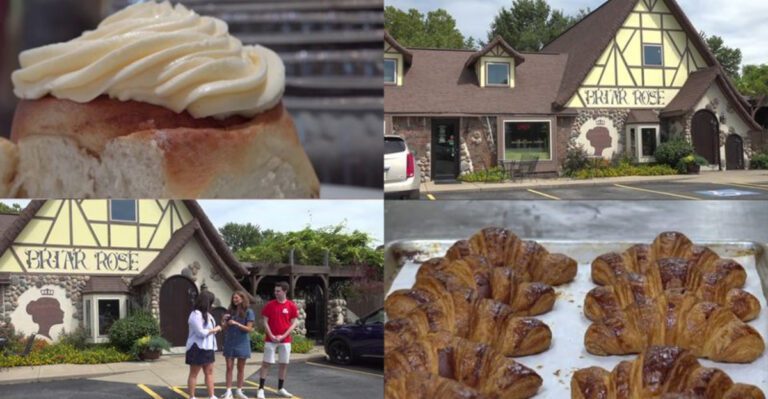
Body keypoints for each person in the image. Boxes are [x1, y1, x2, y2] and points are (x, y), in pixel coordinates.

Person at [257, 281, 299, 399]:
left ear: (285, 291)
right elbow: (265, 321)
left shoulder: (291, 306)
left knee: (283, 364)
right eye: (275, 291)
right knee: (266, 364)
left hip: (285, 341)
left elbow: (294, 323)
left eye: (278, 291)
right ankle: (260, 389)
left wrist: (283, 336)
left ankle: (280, 388)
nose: (275, 293)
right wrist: (271, 335)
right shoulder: (270, 305)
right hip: (270, 340)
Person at [186, 290, 222, 399]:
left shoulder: (208, 315)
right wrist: (215, 329)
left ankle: (212, 396)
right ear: (207, 302)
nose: (212, 304)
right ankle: (192, 397)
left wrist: (218, 327)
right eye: (211, 302)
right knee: (194, 374)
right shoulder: (195, 314)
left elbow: (210, 331)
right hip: (197, 347)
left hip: (208, 347)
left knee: (209, 372)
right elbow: (200, 333)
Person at [221, 291, 255, 399]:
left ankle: (239, 391)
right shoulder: (230, 311)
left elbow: (249, 329)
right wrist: (223, 320)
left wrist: (236, 323)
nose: (234, 300)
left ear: (242, 298)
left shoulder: (249, 312)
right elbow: (224, 327)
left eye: (237, 298)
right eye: (233, 298)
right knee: (229, 367)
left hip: (242, 342)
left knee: (241, 368)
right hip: (230, 341)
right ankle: (228, 391)